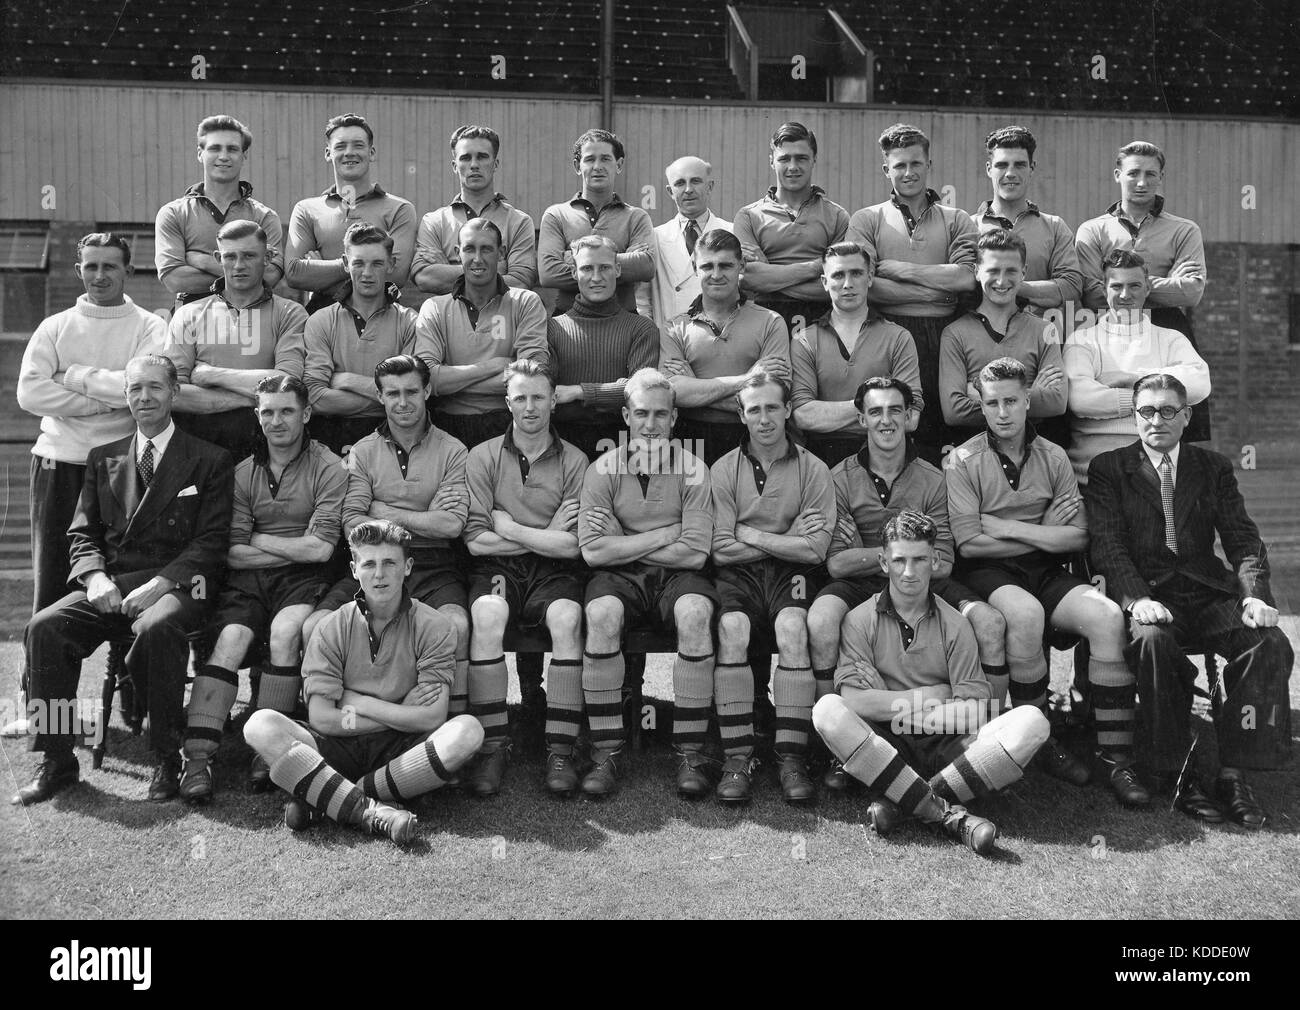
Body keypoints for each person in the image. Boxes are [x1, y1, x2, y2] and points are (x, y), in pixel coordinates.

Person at [13, 355, 234, 805]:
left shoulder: (208, 459)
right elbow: (82, 533)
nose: (144, 397)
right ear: (126, 396)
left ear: (174, 393)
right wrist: (94, 577)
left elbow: (211, 542)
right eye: (135, 389)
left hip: (178, 588)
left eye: (154, 387)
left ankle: (167, 759)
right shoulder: (103, 458)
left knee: (157, 627)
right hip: (112, 588)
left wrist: (162, 584)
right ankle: (57, 759)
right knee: (45, 628)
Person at [1085, 374, 1292, 828]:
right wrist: (1136, 598)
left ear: (1186, 416)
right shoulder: (1109, 468)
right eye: (1145, 411)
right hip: (1151, 594)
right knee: (1154, 644)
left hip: (1206, 591)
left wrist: (1254, 597)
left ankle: (1236, 771)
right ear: (1134, 415)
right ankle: (1180, 773)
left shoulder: (1213, 467)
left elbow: (1242, 539)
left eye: (1166, 411)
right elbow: (1107, 545)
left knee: (1269, 642)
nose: (1155, 420)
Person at [944, 357, 1147, 808]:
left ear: (1028, 400)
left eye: (1011, 401)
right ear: (981, 404)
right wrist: (1042, 532)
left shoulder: (1053, 455)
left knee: (1107, 616)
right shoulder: (962, 460)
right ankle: (1041, 739)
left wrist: (1009, 527)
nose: (1002, 412)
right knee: (1025, 614)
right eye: (992, 403)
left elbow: (1077, 535)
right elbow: (969, 545)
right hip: (988, 573)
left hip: (1046, 568)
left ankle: (1115, 756)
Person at [806, 377, 1008, 788]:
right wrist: (893, 559)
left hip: (923, 577)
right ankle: (834, 749)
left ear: (909, 417)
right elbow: (838, 562)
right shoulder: (839, 477)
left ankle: (985, 737)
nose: (886, 420)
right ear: (861, 418)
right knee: (823, 618)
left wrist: (906, 563)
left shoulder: (934, 479)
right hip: (868, 579)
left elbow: (946, 560)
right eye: (876, 411)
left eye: (895, 410)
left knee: (989, 621)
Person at [812, 510, 1050, 856]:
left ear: (934, 561)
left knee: (1033, 721)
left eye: (919, 560)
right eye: (899, 560)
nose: (909, 572)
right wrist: (930, 695)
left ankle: (905, 803)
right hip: (887, 746)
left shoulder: (956, 624)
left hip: (946, 746)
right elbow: (855, 703)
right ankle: (947, 813)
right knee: (827, 711)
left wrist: (892, 705)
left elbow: (975, 714)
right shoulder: (858, 620)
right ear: (883, 562)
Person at [9, 234, 167, 740]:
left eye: (111, 267)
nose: (100, 276)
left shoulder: (149, 326)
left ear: (129, 269)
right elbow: (31, 391)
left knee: (129, 581)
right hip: (60, 464)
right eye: (91, 266)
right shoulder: (55, 326)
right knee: (52, 592)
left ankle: (133, 707)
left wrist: (74, 376)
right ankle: (45, 719)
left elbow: (141, 387)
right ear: (79, 269)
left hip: (124, 467)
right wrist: (106, 398)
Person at [242, 520, 484, 846]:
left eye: (389, 563)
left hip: (401, 747)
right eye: (369, 564)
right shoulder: (330, 627)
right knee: (259, 725)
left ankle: (330, 797)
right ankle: (368, 809)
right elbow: (322, 718)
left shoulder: (436, 626)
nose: (379, 574)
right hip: (338, 745)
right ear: (355, 569)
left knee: (468, 731)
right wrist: (398, 709)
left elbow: (432, 717)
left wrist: (360, 702)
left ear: (408, 567)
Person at [178, 375, 346, 803]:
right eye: (267, 411)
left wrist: (258, 539)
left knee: (287, 633)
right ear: (257, 415)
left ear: (306, 414)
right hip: (248, 580)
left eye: (287, 410)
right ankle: (197, 756)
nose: (277, 421)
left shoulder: (329, 467)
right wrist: (291, 547)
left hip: (303, 582)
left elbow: (321, 550)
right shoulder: (242, 471)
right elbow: (232, 554)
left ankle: (269, 751)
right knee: (231, 639)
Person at [300, 355, 472, 720]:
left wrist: (382, 510)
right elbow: (352, 527)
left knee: (456, 624)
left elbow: (452, 525)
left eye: (412, 391)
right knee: (315, 625)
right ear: (380, 397)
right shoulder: (362, 451)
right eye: (392, 393)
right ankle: (328, 720)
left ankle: (449, 728)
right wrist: (424, 517)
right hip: (374, 563)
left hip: (434, 563)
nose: (403, 402)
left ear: (427, 391)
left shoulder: (454, 450)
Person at [578, 368, 715, 798]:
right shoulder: (601, 469)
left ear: (674, 418)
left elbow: (695, 552)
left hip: (680, 574)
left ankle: (690, 752)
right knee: (601, 614)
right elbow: (593, 552)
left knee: (694, 615)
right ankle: (606, 751)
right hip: (619, 578)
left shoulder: (693, 469)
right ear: (625, 416)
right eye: (641, 414)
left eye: (660, 415)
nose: (651, 425)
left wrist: (625, 539)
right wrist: (665, 533)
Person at [463, 360, 588, 797]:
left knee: (568, 620)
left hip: (554, 572)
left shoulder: (575, 459)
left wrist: (512, 529)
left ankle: (561, 749)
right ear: (507, 402)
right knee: (488, 615)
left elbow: (572, 546)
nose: (530, 407)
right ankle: (492, 746)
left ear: (554, 400)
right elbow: (477, 542)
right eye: (520, 397)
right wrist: (546, 533)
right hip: (497, 570)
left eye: (538, 397)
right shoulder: (480, 456)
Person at [710, 373, 833, 803]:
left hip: (791, 575)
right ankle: (737, 757)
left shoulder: (814, 468)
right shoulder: (723, 469)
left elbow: (816, 549)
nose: (764, 418)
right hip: (740, 575)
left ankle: (791, 757)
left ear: (786, 411)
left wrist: (752, 534)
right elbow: (720, 549)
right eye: (754, 409)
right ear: (741, 415)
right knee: (733, 631)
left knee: (794, 629)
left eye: (772, 408)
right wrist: (785, 536)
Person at [848, 123, 978, 464]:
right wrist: (937, 292)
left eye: (916, 164)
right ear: (886, 169)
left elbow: (965, 279)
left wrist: (900, 269)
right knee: (891, 424)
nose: (908, 172)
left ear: (929, 165)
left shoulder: (957, 219)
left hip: (945, 337)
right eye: (900, 165)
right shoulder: (866, 219)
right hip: (885, 333)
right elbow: (867, 284)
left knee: (941, 430)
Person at [1075, 140, 1210, 439]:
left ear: (1160, 177)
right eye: (1133, 173)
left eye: (1151, 174)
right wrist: (1166, 281)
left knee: (1176, 418)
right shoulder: (1093, 230)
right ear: (1117, 175)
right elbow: (1093, 293)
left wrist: (1131, 286)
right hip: (1112, 332)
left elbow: (1191, 293)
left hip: (1168, 326)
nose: (1142, 182)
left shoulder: (1184, 230)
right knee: (1113, 411)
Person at [164, 220, 308, 460]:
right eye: (230, 257)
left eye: (249, 256)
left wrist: (211, 375)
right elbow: (174, 394)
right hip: (200, 447)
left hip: (266, 448)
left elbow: (287, 383)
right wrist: (251, 396)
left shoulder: (290, 313)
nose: (239, 266)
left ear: (268, 257)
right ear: (218, 258)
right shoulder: (189, 314)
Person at [1065, 249, 1210, 484]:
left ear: (1148, 289)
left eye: (1134, 286)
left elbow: (1199, 384)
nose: (1125, 295)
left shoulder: (1170, 338)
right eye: (1116, 286)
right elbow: (1080, 399)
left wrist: (1135, 378)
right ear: (1103, 289)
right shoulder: (1081, 340)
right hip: (1093, 473)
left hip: (1158, 472)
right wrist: (1160, 403)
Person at [659, 229, 790, 464]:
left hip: (751, 441)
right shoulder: (674, 327)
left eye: (726, 266)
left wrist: (696, 388)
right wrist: (748, 378)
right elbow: (671, 394)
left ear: (741, 265)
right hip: (688, 442)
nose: (716, 275)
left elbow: (770, 401)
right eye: (707, 266)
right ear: (694, 266)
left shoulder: (771, 322)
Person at [415, 218, 548, 449]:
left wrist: (450, 385)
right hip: (445, 427)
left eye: (486, 249)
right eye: (469, 249)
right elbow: (426, 379)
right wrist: (495, 365)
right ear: (458, 253)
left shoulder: (525, 302)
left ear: (501, 253)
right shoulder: (435, 308)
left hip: (508, 423)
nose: (478, 259)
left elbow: (531, 380)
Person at [791, 242, 922, 466]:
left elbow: (911, 419)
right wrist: (881, 411)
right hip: (822, 460)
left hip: (885, 460)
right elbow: (804, 416)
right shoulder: (804, 339)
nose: (848, 284)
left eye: (856, 273)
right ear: (825, 282)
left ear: (870, 278)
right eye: (838, 275)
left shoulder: (898, 337)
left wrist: (829, 415)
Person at [937, 229, 1067, 445]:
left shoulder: (1045, 330)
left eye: (1011, 271)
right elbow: (954, 411)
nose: (1001, 280)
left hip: (1032, 449)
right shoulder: (955, 333)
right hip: (975, 452)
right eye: (993, 270)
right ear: (977, 271)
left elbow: (1057, 402)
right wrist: (1030, 394)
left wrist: (979, 394)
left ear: (1024, 272)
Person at [301, 222, 417, 455]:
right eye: (358, 263)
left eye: (377, 264)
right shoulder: (321, 321)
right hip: (331, 438)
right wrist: (388, 396)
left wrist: (345, 380)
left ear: (392, 264)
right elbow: (314, 396)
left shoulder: (409, 321)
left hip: (392, 439)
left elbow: (412, 393)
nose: (367, 273)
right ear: (345, 264)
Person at [286, 114, 416, 313]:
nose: (349, 152)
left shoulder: (399, 209)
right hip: (320, 320)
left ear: (371, 152)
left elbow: (396, 275)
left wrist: (322, 268)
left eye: (358, 145)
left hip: (381, 319)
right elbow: (295, 273)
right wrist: (367, 263)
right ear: (328, 153)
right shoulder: (306, 210)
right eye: (340, 146)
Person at [546, 235, 659, 459]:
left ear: (618, 270)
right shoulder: (553, 328)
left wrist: (578, 391)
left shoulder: (641, 329)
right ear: (573, 273)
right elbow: (548, 394)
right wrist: (614, 391)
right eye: (587, 268)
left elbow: (640, 392)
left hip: (624, 444)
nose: (596, 277)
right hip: (562, 443)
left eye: (604, 268)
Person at [155, 115, 283, 309]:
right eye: (215, 148)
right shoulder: (173, 213)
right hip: (190, 323)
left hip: (251, 319)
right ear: (200, 153)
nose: (223, 156)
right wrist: (246, 274)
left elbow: (271, 276)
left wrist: (203, 261)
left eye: (232, 149)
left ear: (244, 155)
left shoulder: (264, 217)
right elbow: (174, 279)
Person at [733, 122, 849, 331]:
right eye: (784, 159)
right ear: (771, 162)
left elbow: (840, 285)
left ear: (814, 159)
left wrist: (769, 274)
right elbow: (747, 279)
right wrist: (818, 266)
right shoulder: (748, 216)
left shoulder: (837, 216)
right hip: (763, 324)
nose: (793, 166)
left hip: (823, 324)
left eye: (801, 158)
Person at [537, 128, 653, 315]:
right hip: (568, 324)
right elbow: (548, 274)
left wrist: (576, 261)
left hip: (624, 323)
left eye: (605, 159)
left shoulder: (636, 217)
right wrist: (612, 265)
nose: (597, 166)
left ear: (619, 164)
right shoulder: (557, 215)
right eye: (590, 159)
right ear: (577, 166)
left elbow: (645, 267)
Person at [411, 124, 538, 294]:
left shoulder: (518, 221)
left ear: (495, 164)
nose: (474, 165)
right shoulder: (434, 221)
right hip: (449, 319)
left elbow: (521, 282)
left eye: (482, 157)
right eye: (465, 158)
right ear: (455, 166)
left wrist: (449, 268)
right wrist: (496, 267)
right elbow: (425, 278)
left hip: (503, 319)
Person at [971, 126, 1082, 315]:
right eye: (1002, 165)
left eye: (1019, 165)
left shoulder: (1055, 227)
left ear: (1032, 168)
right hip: (980, 339)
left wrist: (1005, 286)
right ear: (989, 169)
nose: (1010, 173)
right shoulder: (968, 226)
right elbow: (964, 284)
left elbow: (1070, 287)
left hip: (1038, 339)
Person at [636, 155, 733, 328]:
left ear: (710, 186)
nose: (688, 189)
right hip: (669, 341)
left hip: (721, 340)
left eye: (695, 181)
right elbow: (642, 302)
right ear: (669, 191)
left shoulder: (732, 232)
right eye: (680, 183)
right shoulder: (654, 237)